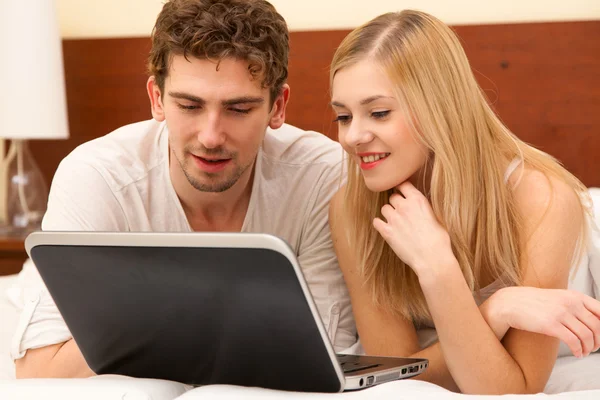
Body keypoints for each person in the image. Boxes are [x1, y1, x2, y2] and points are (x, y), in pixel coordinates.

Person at [12, 0, 356, 378]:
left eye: (238, 109)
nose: (210, 137)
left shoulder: (323, 176)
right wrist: (208, 310)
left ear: (278, 106)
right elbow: (39, 371)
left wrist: (152, 323)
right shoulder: (97, 177)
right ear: (157, 99)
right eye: (190, 105)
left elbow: (328, 357)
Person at [328, 9, 600, 395]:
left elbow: (514, 388)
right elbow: (395, 377)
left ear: (440, 107)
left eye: (379, 113)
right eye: (342, 115)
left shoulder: (540, 198)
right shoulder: (351, 208)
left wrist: (438, 267)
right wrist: (494, 309)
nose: (353, 136)